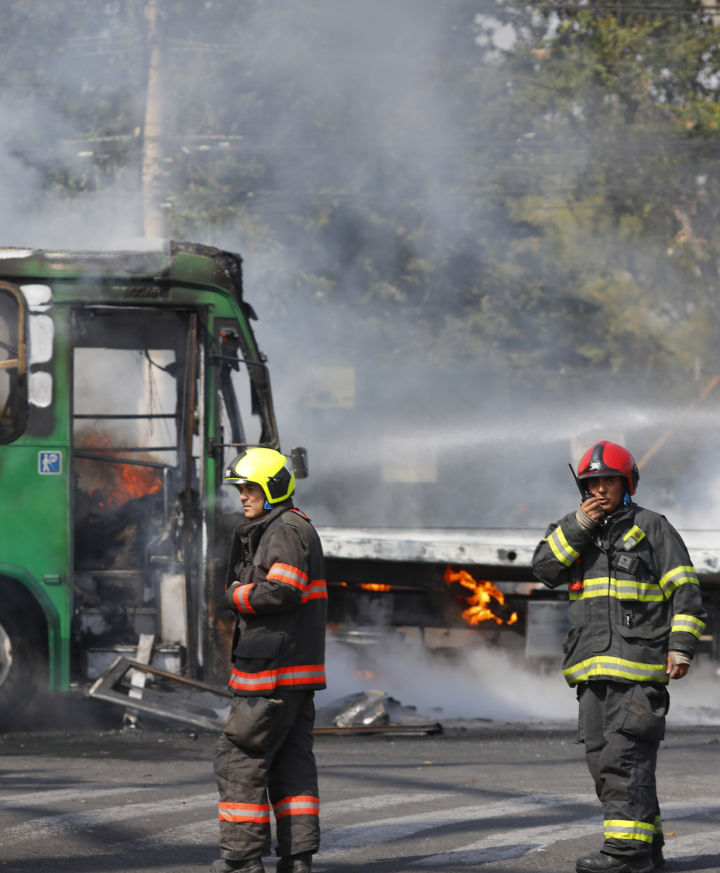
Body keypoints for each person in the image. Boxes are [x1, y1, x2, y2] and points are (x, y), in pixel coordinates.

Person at [532, 441, 707, 873]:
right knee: (604, 762)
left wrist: (681, 646)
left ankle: (626, 855)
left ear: (626, 484)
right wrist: (578, 526)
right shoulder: (572, 529)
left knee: (621, 761)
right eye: (592, 482)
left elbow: (686, 593)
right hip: (591, 673)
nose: (600, 489)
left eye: (608, 480)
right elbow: (543, 570)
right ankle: (647, 849)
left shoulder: (652, 527)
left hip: (637, 670)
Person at [211, 448, 327, 873]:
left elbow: (281, 590)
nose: (242, 497)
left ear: (273, 487)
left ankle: (242, 860)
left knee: (239, 758)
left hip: (271, 674)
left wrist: (235, 595)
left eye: (249, 488)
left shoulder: (282, 531)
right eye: (240, 489)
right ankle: (297, 859)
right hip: (293, 673)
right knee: (290, 764)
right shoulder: (293, 527)